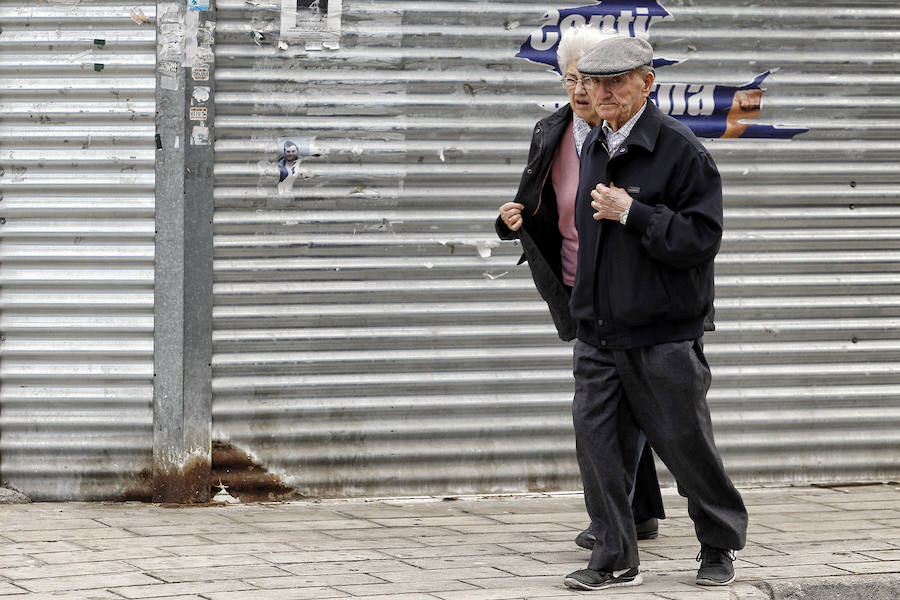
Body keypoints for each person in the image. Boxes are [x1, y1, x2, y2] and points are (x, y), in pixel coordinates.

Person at [562, 35, 748, 591]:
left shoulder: (679, 148)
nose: (603, 93)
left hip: (663, 336)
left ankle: (718, 545)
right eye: (595, 83)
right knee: (598, 453)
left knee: (687, 451)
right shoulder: (593, 143)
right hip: (598, 334)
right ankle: (615, 559)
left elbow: (701, 240)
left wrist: (635, 213)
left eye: (616, 82)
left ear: (647, 82)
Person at [495, 25, 665, 549]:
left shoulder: (632, 137)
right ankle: (630, 516)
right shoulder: (552, 131)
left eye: (592, 79)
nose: (582, 89)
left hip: (635, 294)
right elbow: (538, 201)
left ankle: (621, 521)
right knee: (608, 408)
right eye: (572, 78)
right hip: (577, 285)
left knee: (630, 408)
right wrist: (509, 222)